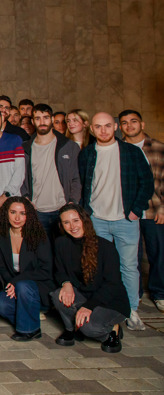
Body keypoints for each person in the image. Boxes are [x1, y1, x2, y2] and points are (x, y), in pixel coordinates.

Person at [78, 112, 153, 331]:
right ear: (92, 129)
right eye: (98, 126)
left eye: (107, 126)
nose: (103, 130)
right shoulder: (87, 154)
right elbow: (82, 184)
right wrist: (86, 213)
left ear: (115, 127)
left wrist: (136, 210)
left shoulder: (132, 152)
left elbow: (147, 183)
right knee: (99, 265)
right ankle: (104, 305)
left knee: (128, 266)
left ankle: (131, 310)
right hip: (97, 219)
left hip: (125, 219)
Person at [52, 204, 129, 353]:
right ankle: (71, 329)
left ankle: (113, 330)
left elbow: (112, 284)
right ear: (61, 225)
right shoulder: (61, 243)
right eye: (66, 222)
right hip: (85, 295)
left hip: (110, 301)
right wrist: (66, 283)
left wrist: (89, 307)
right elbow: (59, 270)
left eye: (76, 220)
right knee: (58, 295)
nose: (72, 226)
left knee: (89, 328)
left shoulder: (106, 247)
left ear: (84, 220)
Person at [118, 109, 164, 312]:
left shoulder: (159, 148)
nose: (129, 126)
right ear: (120, 127)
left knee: (158, 253)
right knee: (130, 256)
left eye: (133, 121)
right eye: (125, 122)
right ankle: (133, 295)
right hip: (128, 211)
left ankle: (159, 293)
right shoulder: (118, 149)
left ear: (142, 124)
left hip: (155, 210)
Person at [0, 197, 54, 341]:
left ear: (28, 215)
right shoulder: (1, 236)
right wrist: (12, 285)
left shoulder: (39, 236)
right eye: (13, 212)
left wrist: (17, 282)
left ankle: (29, 330)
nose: (17, 218)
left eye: (22, 213)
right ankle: (30, 319)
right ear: (6, 213)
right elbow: (0, 267)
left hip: (38, 285)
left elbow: (45, 270)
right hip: (14, 284)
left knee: (23, 286)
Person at [22, 104, 81, 237]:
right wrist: (26, 199)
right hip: (36, 211)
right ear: (32, 121)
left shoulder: (69, 146)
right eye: (38, 118)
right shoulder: (25, 149)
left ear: (52, 119)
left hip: (63, 209)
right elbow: (21, 178)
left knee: (64, 249)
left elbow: (76, 177)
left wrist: (72, 202)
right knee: (39, 249)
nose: (42, 122)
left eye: (46, 117)